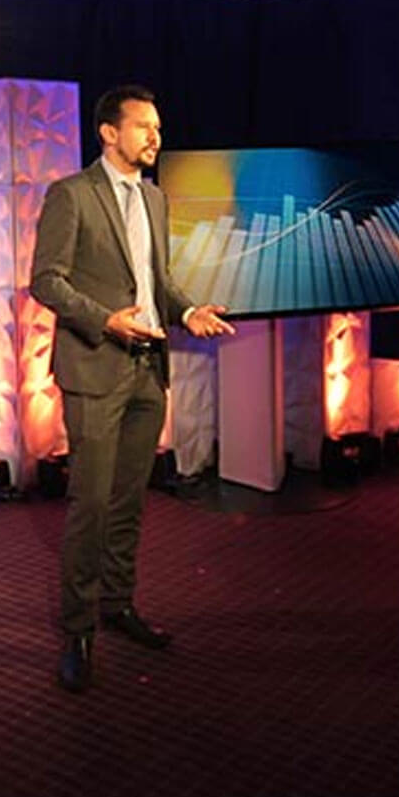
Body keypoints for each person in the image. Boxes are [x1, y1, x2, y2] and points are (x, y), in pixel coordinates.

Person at [29, 84, 235, 694]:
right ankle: (78, 630)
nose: (155, 137)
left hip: (149, 368)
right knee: (89, 504)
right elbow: (46, 280)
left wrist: (188, 310)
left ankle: (117, 605)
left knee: (127, 502)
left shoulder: (154, 197)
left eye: (158, 127)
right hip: (96, 367)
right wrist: (104, 320)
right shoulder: (71, 194)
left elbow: (155, 282)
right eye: (144, 126)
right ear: (109, 132)